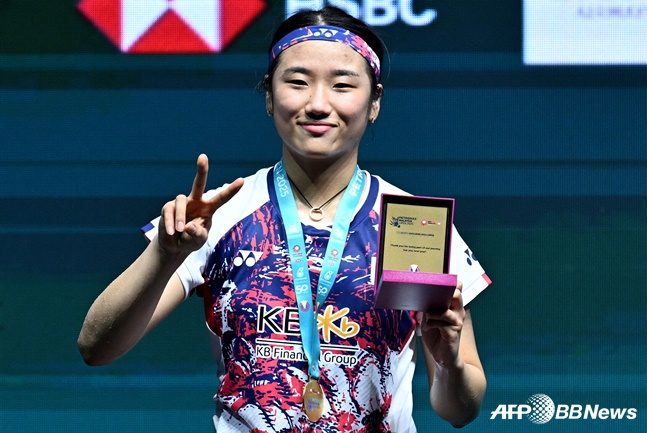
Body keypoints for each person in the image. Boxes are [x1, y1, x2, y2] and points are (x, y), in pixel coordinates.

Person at [78, 6, 490, 432]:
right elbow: (95, 347)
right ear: (270, 96)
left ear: (375, 102)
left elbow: (460, 411)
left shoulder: (416, 225)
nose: (318, 104)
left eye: (342, 85)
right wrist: (165, 254)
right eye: (297, 82)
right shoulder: (217, 215)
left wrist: (450, 363)